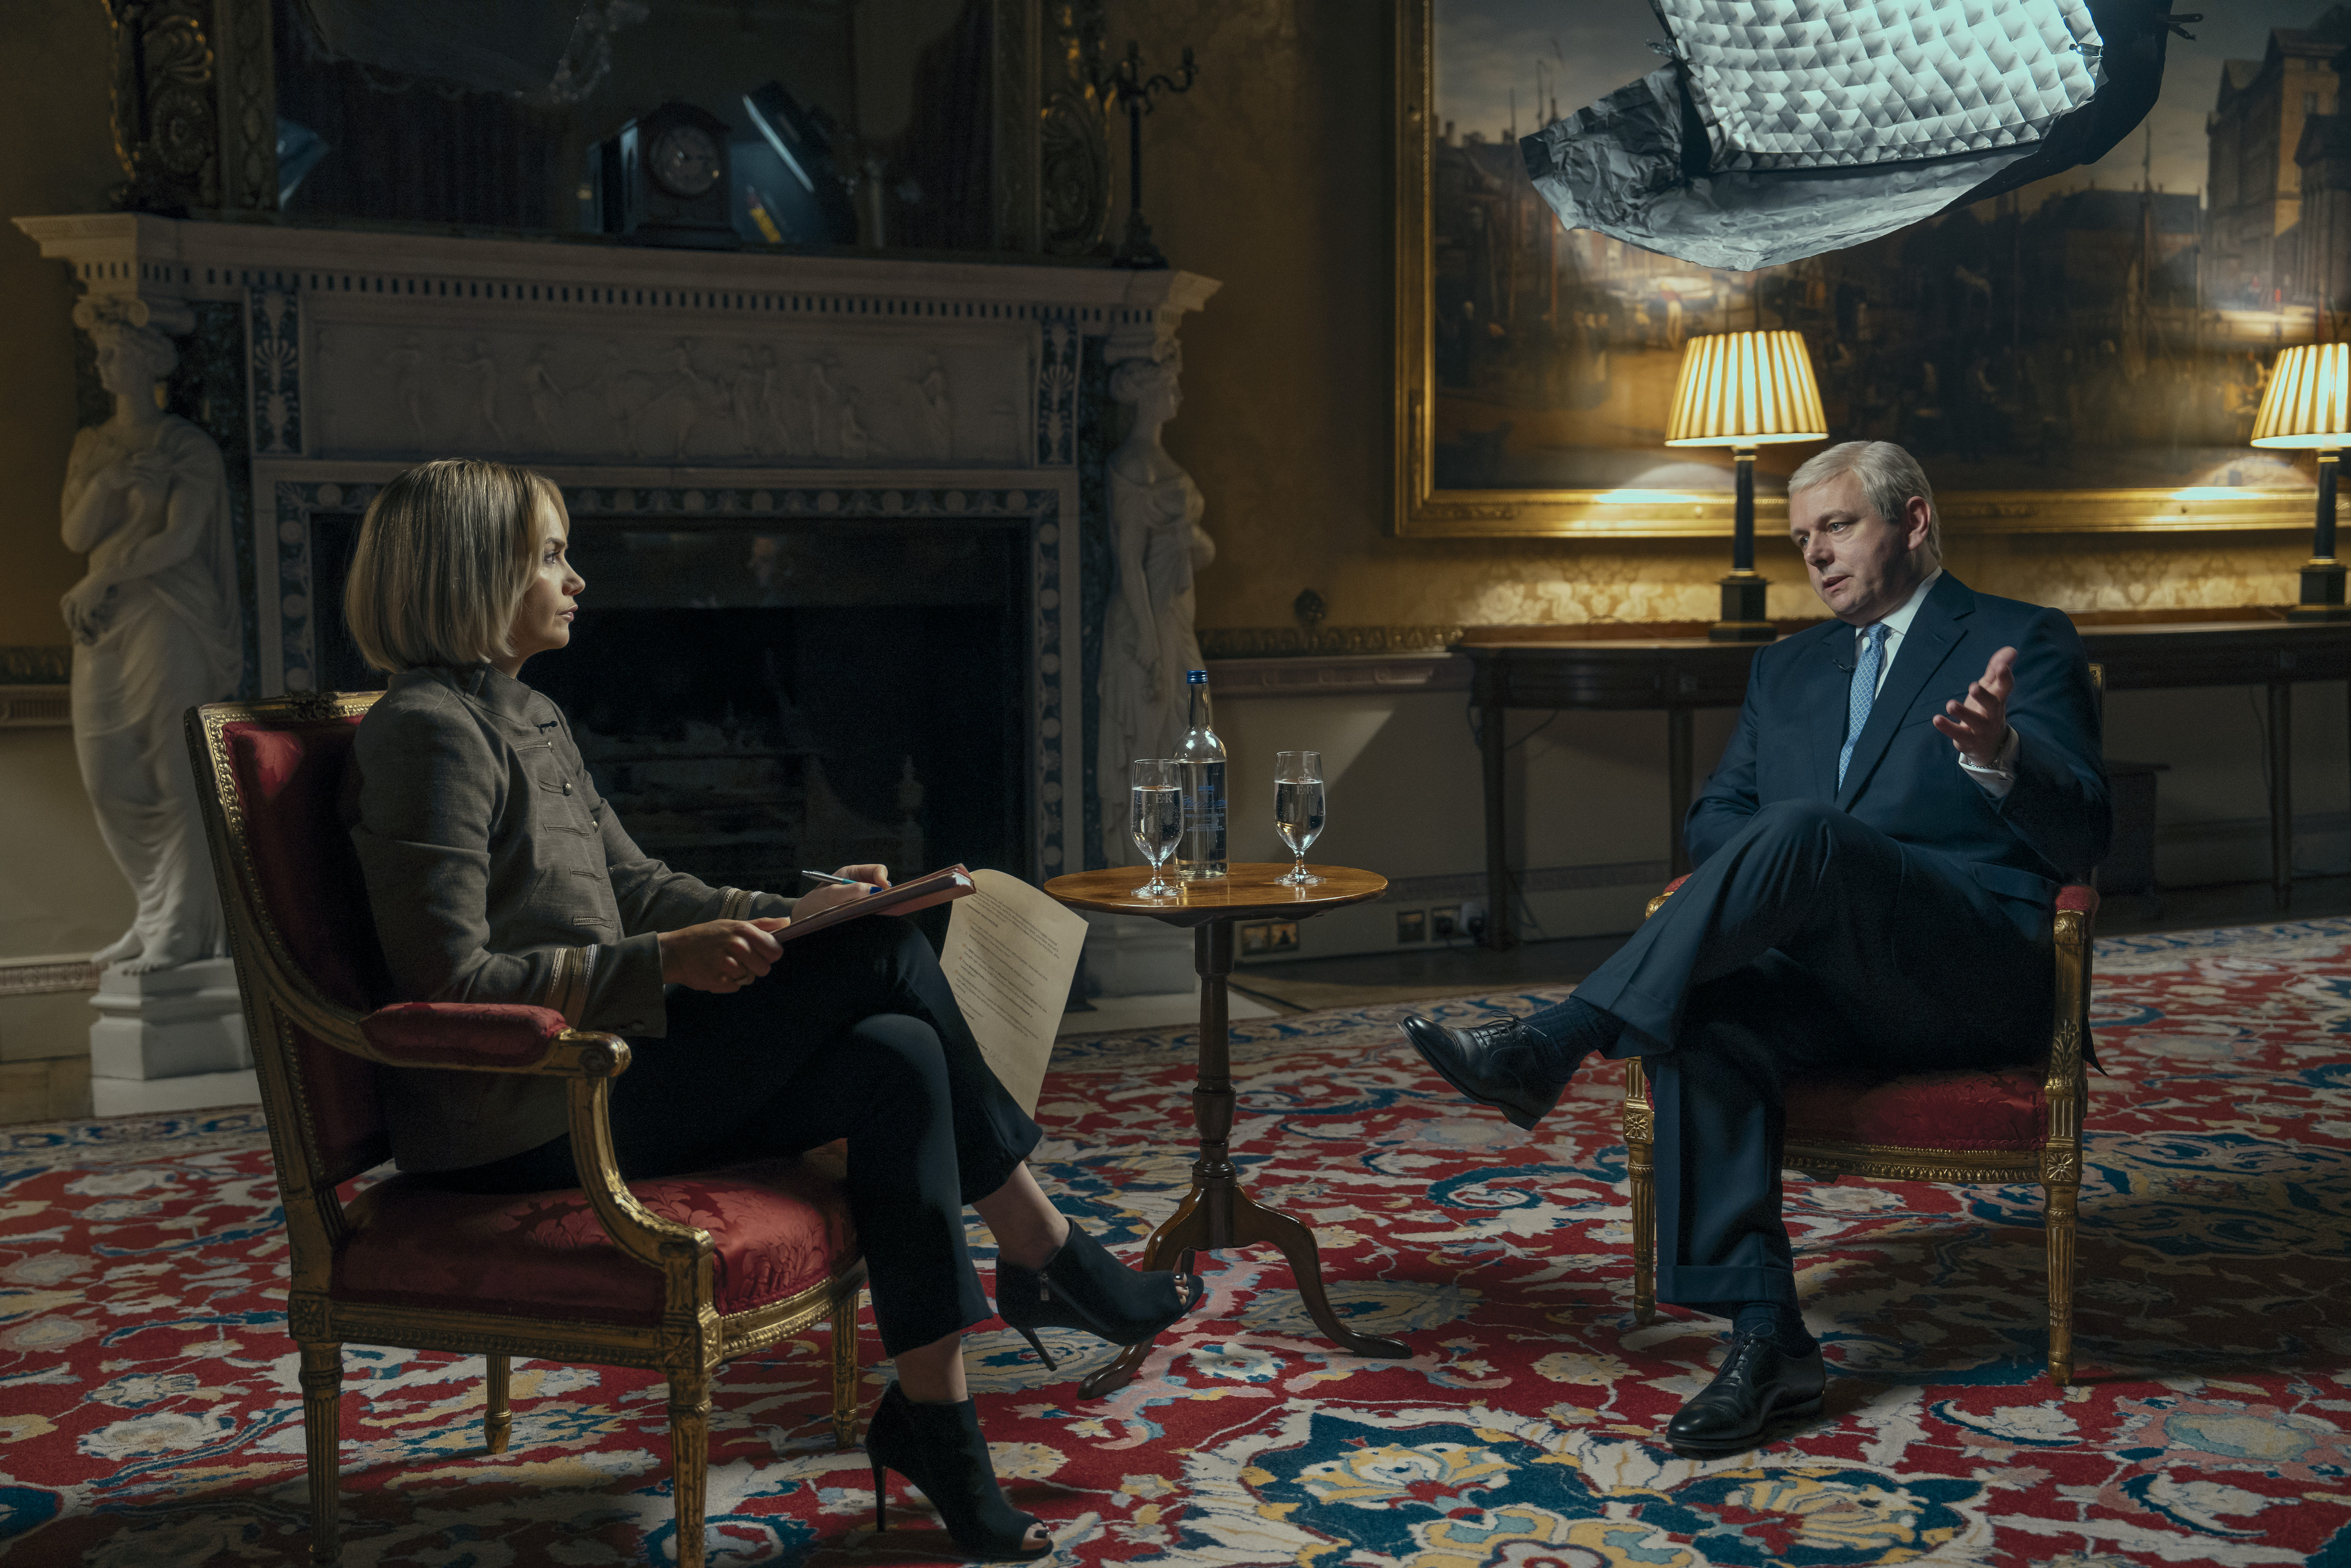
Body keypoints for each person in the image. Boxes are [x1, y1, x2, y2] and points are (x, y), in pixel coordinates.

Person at [339, 459, 1201, 1558]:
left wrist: (797, 908)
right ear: (469, 573)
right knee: (882, 960)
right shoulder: (425, 733)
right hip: (521, 1112)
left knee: (895, 1056)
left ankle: (938, 1427)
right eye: (550, 555)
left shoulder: (530, 716)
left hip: (609, 1067)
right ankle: (1049, 1250)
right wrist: (668, 962)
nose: (578, 578)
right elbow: (444, 982)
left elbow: (641, 886)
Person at [1402, 439, 2109, 1458]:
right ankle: (1769, 1337)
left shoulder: (2019, 637)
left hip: (1973, 969)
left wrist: (2002, 756)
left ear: (1912, 521)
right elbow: (1718, 820)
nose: (1815, 556)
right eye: (1801, 539)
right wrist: (1803, 885)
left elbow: (2089, 833)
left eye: (1838, 527)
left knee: (1809, 831)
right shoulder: (1787, 667)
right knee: (1703, 1004)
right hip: (1831, 977)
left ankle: (1560, 1035)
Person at [59, 299, 243, 974]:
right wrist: (109, 486)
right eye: (102, 354)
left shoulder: (187, 447)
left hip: (171, 617)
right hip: (104, 622)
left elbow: (181, 539)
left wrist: (104, 578)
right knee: (109, 773)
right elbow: (75, 536)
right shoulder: (92, 447)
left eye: (113, 354)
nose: (103, 366)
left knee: (173, 770)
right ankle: (151, 909)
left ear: (144, 364)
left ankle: (182, 929)